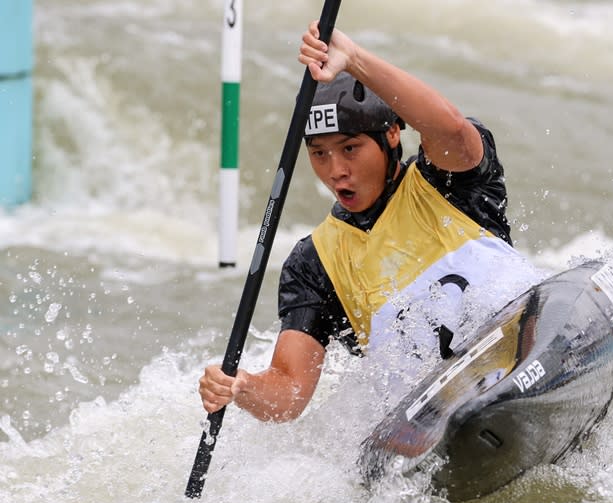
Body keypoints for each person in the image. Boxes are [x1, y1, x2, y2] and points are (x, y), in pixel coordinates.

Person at [199, 20, 540, 422]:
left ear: (393, 134)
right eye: (319, 153)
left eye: (350, 148)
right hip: (433, 420)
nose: (336, 170)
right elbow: (290, 394)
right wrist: (241, 386)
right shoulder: (314, 263)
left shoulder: (446, 182)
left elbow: (449, 126)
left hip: (523, 354)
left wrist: (355, 60)